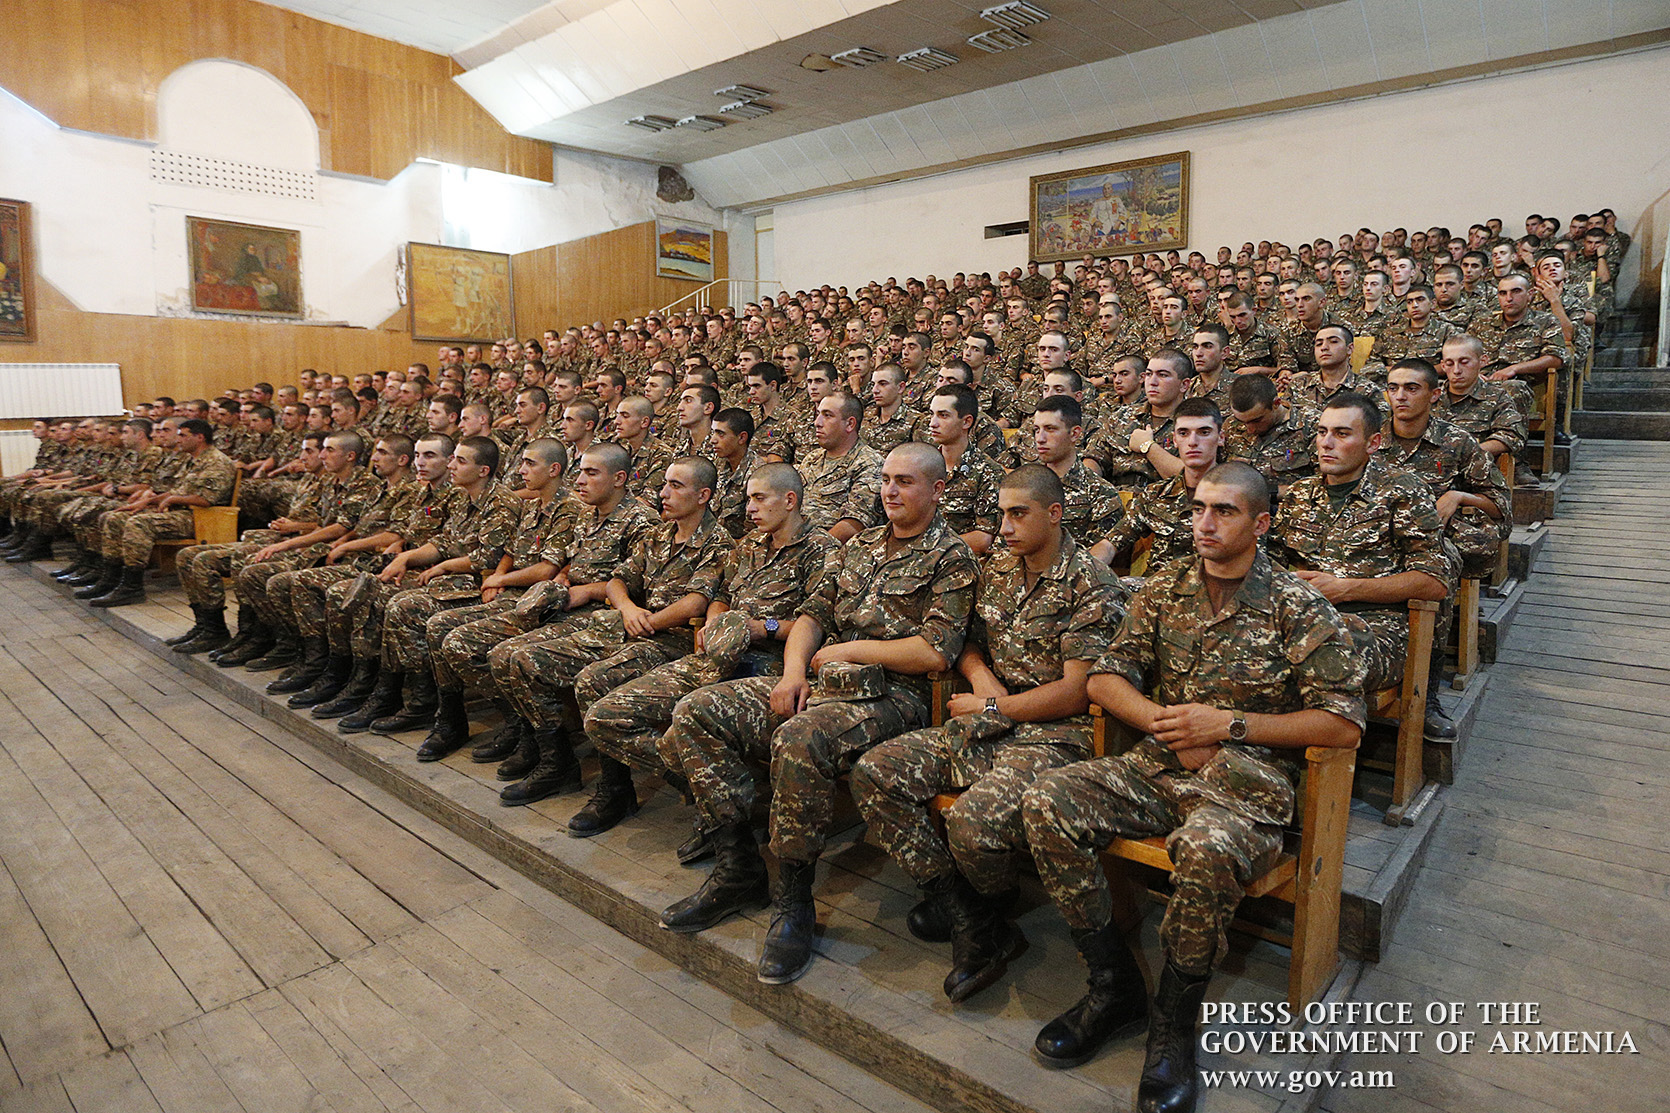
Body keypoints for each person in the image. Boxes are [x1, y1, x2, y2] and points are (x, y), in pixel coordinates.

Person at [1020, 463, 1366, 1110]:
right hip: (1157, 764)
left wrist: (1230, 726)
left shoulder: (1296, 604)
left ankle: (1174, 1025)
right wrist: (1167, 723)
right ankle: (1113, 982)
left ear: (1261, 523)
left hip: (1247, 787)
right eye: (1199, 507)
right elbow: (1105, 676)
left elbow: (1343, 723)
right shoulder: (1166, 586)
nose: (1204, 522)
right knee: (1046, 801)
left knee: (1206, 853)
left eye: (1224, 511)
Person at [658, 443, 978, 985]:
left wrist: (852, 651)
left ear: (937, 489)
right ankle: (737, 866)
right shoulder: (862, 545)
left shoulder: (951, 556)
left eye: (905, 481)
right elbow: (813, 614)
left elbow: (936, 651)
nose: (891, 491)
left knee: (799, 739)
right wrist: (792, 672)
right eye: (885, 479)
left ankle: (794, 900)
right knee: (696, 712)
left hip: (896, 695)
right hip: (823, 682)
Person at [851, 466, 1124, 1002]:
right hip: (988, 718)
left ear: (1056, 514)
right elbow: (968, 643)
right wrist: (982, 681)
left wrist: (996, 705)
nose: (1004, 526)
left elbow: (1077, 691)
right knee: (875, 772)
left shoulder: (1091, 583)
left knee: (973, 822)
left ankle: (985, 910)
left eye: (1018, 513)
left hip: (1054, 734)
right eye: (1000, 513)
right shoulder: (999, 568)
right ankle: (968, 909)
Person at [581, 462, 840, 850]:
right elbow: (720, 596)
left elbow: (819, 624)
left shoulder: (822, 551)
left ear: (789, 501)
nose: (748, 508)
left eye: (758, 498)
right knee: (605, 717)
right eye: (747, 498)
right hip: (718, 656)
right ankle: (713, 791)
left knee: (683, 731)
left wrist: (761, 627)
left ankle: (723, 822)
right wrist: (715, 622)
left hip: (769, 663)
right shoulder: (749, 545)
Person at [1268, 393, 1451, 693]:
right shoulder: (1300, 494)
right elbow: (1268, 560)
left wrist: (1344, 588)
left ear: (1373, 443)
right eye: (1322, 432)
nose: (1327, 443)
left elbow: (1433, 582)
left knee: (1321, 651)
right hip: (1300, 614)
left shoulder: (1403, 492)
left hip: (1375, 624)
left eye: (1342, 434)